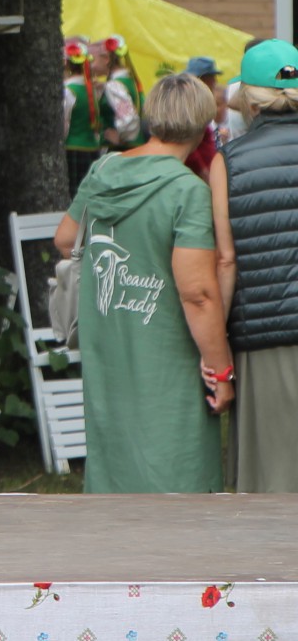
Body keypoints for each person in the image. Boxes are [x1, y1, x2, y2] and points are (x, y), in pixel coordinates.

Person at [52, 74, 229, 494]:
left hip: (108, 340)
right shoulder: (188, 191)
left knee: (114, 456)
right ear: (203, 123)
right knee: (174, 464)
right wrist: (220, 369)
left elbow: (64, 239)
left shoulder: (104, 169)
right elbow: (197, 293)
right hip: (167, 349)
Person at [210, 39, 298, 492]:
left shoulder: (230, 161)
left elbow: (226, 259)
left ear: (248, 96)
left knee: (272, 482)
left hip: (265, 336)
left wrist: (217, 339)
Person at [63, 37, 109, 189]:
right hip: (92, 150)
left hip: (72, 149)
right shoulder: (92, 89)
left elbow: (64, 124)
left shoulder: (68, 91)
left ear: (67, 64)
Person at [92, 36, 145, 149]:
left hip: (124, 150)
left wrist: (121, 138)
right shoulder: (129, 80)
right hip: (136, 147)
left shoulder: (114, 85)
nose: (90, 65)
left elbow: (129, 118)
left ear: (106, 59)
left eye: (92, 60)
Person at [184, 56, 226, 178]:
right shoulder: (190, 108)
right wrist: (203, 172)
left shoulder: (199, 106)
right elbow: (189, 146)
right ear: (203, 80)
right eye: (212, 79)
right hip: (197, 176)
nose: (215, 82)